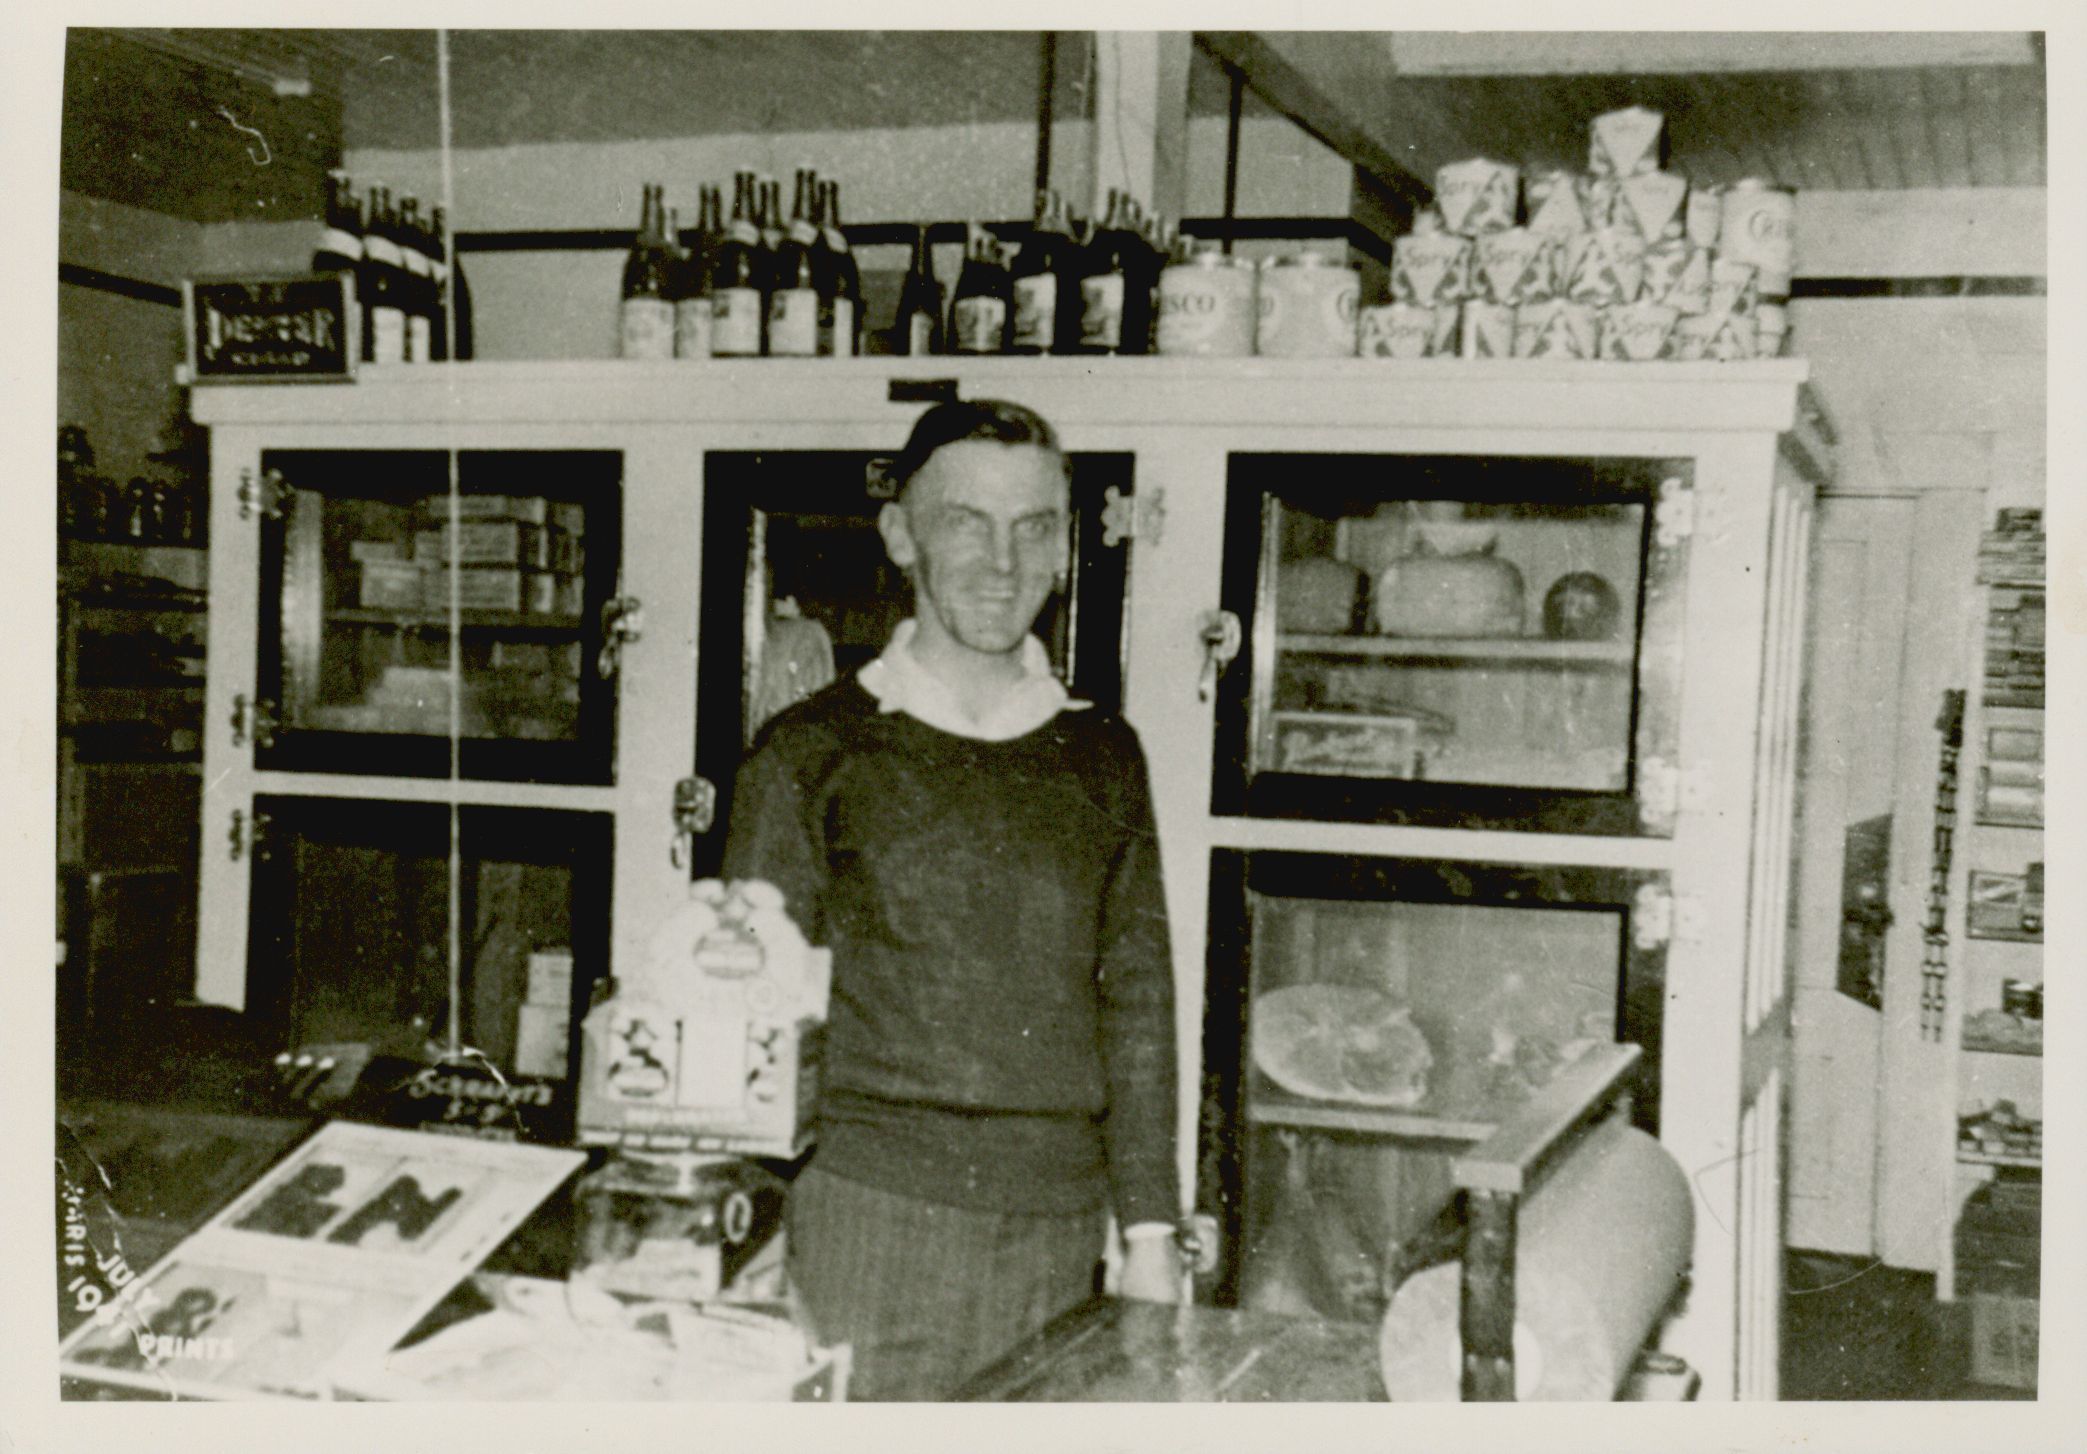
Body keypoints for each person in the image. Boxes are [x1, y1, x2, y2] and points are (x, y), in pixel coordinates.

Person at [721, 398, 1182, 1400]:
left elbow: (1137, 1003)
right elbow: (746, 1026)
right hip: (864, 1222)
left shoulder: (1103, 755)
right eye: (966, 521)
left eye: (1033, 527)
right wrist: (749, 1252)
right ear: (900, 535)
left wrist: (1150, 1234)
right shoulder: (809, 753)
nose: (1002, 561)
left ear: (1063, 547)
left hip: (1059, 1231)